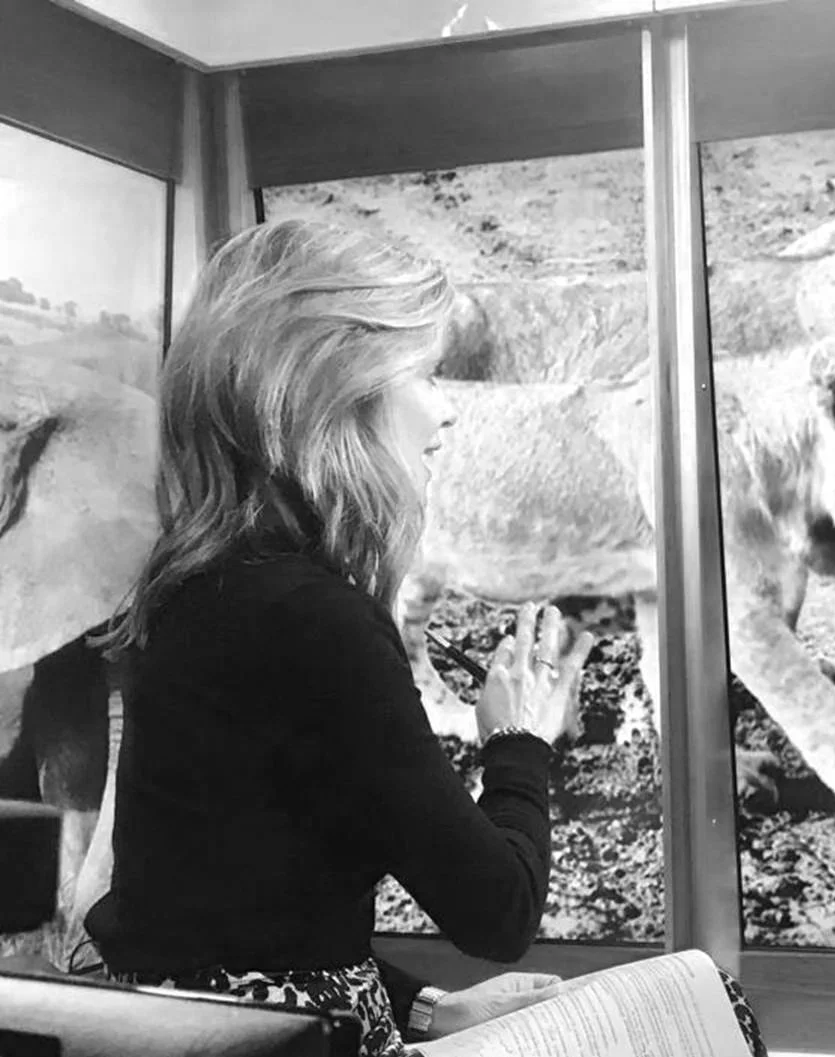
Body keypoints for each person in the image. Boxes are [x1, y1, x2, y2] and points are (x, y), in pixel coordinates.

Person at [83, 218, 768, 1057]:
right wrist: (519, 740)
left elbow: (246, 921)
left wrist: (426, 1008)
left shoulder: (189, 587)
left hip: (208, 1032)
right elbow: (497, 910)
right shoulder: (316, 618)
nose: (443, 414)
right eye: (422, 375)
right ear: (332, 392)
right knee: (712, 1004)